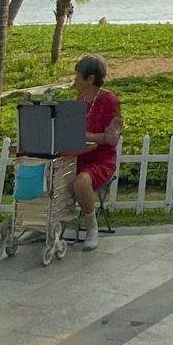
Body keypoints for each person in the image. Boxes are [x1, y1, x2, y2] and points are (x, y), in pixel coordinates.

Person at [69, 54, 121, 251]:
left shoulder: (109, 100)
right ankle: (44, 224)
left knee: (82, 181)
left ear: (90, 79)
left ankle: (91, 226)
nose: (74, 80)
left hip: (101, 159)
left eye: (77, 76)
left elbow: (111, 138)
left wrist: (85, 135)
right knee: (51, 174)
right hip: (79, 155)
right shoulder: (80, 100)